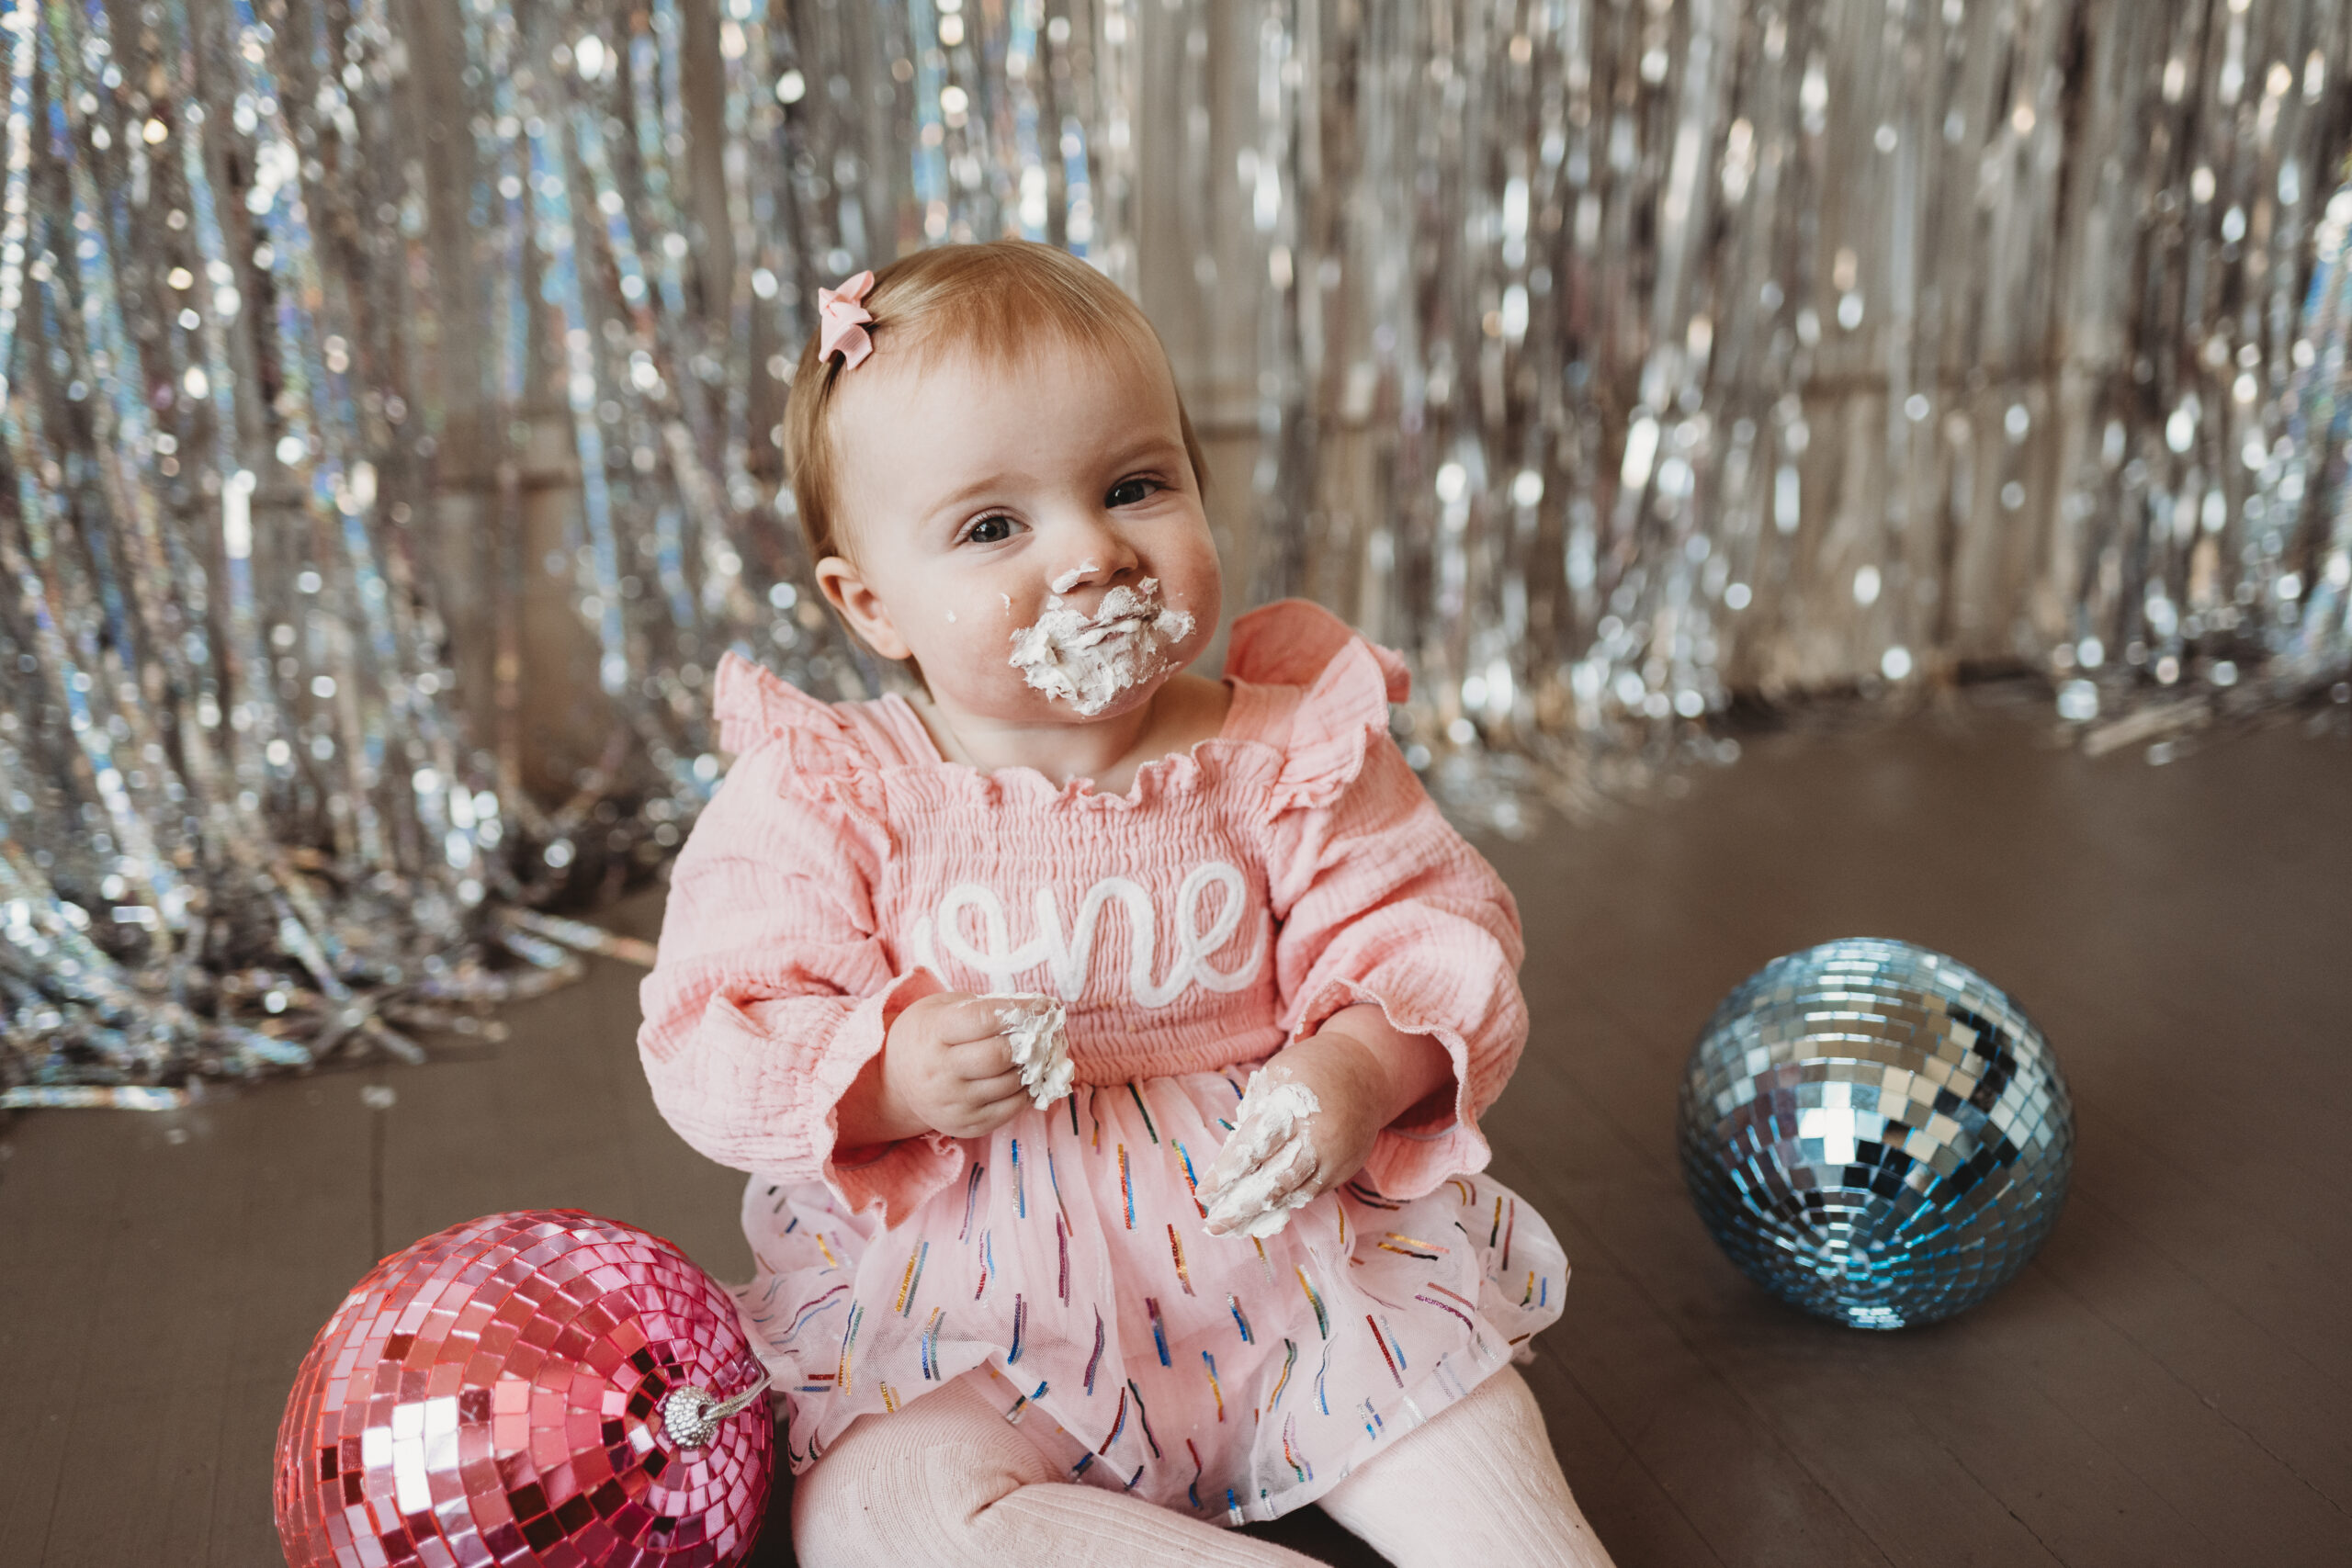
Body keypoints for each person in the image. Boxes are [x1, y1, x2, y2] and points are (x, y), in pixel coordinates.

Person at [639, 241, 1615, 1567]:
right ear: (873, 604)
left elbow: (1430, 933)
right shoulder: (836, 791)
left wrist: (1355, 1072)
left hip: (1296, 1275)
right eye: (994, 527)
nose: (1094, 552)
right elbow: (718, 1019)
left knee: (1469, 1448)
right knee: (879, 1520)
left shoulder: (1288, 751)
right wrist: (885, 1078)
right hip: (977, 1315)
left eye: (1134, 487)